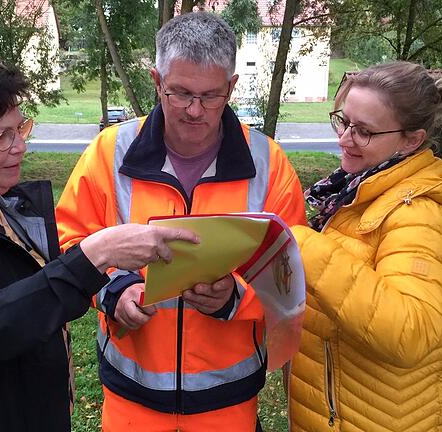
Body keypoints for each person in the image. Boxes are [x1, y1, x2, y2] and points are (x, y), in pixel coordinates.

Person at [0, 50, 198, 432]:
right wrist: (95, 254)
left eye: (21, 128)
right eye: (1, 136)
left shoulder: (1, 203)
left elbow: (31, 305)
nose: (20, 146)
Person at [55, 12, 306, 432]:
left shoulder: (268, 163)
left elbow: (293, 276)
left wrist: (235, 298)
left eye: (211, 96)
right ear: (156, 81)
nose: (195, 110)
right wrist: (114, 291)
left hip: (227, 404)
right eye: (180, 93)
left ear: (231, 86)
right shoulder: (110, 153)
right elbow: (70, 242)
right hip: (131, 400)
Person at [286, 61, 442, 432]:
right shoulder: (355, 191)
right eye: (343, 122)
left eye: (364, 131)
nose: (344, 139)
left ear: (411, 139)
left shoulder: (419, 213)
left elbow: (410, 331)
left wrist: (304, 248)